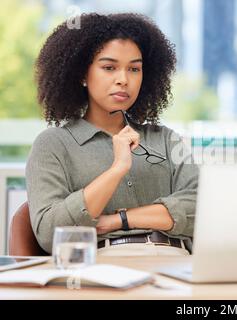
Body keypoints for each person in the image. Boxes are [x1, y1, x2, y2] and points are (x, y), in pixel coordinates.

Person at [26, 13, 198, 256]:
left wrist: (119, 220)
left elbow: (202, 210)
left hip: (178, 264)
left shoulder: (166, 139)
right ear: (82, 75)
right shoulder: (53, 144)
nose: (123, 80)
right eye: (109, 67)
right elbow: (49, 232)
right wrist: (117, 169)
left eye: (134, 69)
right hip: (103, 266)